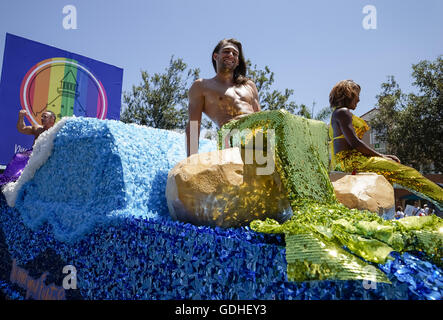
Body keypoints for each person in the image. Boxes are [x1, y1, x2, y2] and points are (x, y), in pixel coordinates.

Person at [328, 79, 443, 211]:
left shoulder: (337, 113)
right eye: (357, 95)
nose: (359, 100)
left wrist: (383, 156)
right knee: (407, 172)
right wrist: (382, 156)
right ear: (349, 95)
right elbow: (354, 143)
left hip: (346, 161)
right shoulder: (343, 112)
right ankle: (440, 198)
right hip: (352, 161)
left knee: (391, 177)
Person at [186, 38, 260, 157]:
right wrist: (191, 158)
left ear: (237, 62)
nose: (231, 55)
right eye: (226, 51)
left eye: (235, 54)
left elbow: (259, 115)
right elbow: (194, 125)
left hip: (258, 136)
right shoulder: (202, 86)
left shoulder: (249, 85)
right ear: (216, 56)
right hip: (231, 136)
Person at [0, 109, 56, 186]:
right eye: (42, 116)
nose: (42, 118)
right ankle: (7, 181)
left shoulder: (56, 133)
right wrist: (21, 117)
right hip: (31, 154)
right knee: (18, 156)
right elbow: (22, 129)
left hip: (45, 156)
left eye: (45, 117)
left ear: (52, 119)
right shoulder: (38, 129)